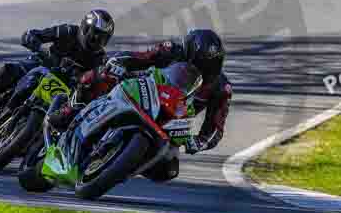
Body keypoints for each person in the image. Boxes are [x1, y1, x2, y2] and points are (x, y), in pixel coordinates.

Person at [51, 29, 232, 157]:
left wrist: (199, 142)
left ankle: (118, 165)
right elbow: (140, 58)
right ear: (189, 54)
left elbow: (215, 127)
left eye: (212, 65)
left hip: (171, 123)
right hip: (144, 91)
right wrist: (118, 63)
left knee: (169, 169)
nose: (206, 70)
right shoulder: (172, 51)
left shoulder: (221, 88)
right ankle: (69, 109)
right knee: (99, 77)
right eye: (202, 64)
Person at [0, 9, 115, 122]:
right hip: (42, 65)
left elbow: (98, 83)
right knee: (9, 71)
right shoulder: (69, 31)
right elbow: (34, 34)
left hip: (63, 88)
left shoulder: (99, 58)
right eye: (95, 33)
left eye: (103, 38)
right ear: (85, 27)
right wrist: (35, 43)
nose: (97, 39)